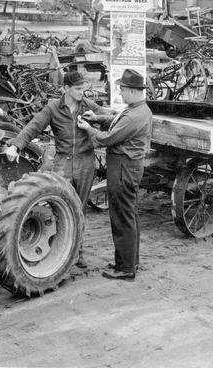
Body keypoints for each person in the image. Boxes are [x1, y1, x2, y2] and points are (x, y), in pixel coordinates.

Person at [5, 70, 114, 269]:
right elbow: (34, 126)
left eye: (83, 88)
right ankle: (57, 251)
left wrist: (97, 116)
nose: (82, 92)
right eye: (78, 89)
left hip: (85, 163)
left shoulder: (87, 106)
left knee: (79, 208)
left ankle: (78, 252)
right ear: (66, 89)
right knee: (58, 207)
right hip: (63, 163)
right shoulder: (53, 108)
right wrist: (16, 145)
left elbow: (112, 116)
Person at [77, 68, 152, 281]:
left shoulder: (135, 115)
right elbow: (116, 119)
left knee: (121, 217)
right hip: (128, 167)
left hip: (122, 168)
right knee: (130, 214)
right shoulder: (138, 109)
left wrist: (87, 128)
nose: (120, 94)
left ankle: (125, 268)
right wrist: (97, 116)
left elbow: (108, 138)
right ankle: (130, 260)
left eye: (122, 90)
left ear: (132, 90)